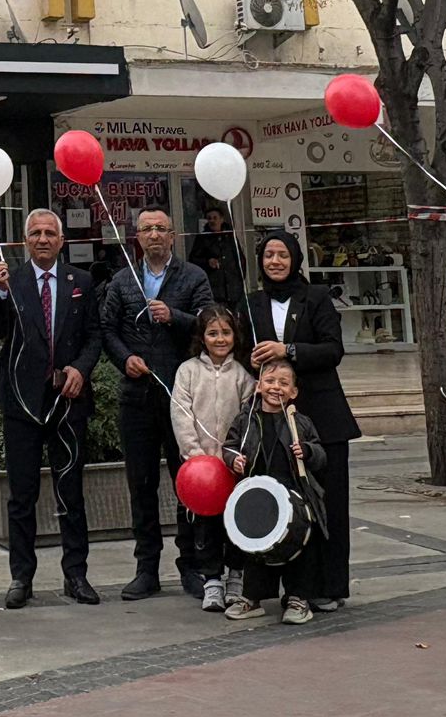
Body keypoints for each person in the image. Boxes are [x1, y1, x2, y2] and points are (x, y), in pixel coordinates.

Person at [0, 210, 103, 608]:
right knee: (22, 495)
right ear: (25, 240)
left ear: (61, 240)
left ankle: (77, 575)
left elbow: (94, 335)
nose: (42, 239)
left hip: (68, 401)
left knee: (71, 492)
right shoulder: (11, 281)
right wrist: (0, 295)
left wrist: (81, 369)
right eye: (35, 233)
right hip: (22, 403)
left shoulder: (82, 282)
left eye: (49, 233)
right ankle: (22, 577)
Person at [243, 233, 361, 610]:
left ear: (295, 259)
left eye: (282, 255)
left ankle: (327, 586)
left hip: (322, 416)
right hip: (273, 419)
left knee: (327, 503)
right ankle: (286, 588)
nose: (275, 261)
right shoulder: (252, 302)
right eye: (268, 255)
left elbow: (333, 349)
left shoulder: (317, 297)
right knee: (279, 502)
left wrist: (288, 350)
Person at [100, 209, 211, 599]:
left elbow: (209, 324)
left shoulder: (193, 277)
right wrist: (123, 358)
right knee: (141, 484)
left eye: (160, 229)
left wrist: (174, 316)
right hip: (137, 397)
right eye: (146, 229)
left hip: (182, 398)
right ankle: (147, 568)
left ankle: (191, 565)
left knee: (188, 482)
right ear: (137, 237)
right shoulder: (122, 280)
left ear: (173, 235)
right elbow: (107, 328)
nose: (153, 235)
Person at [223, 360, 326, 623]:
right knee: (257, 550)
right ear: (259, 386)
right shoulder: (246, 419)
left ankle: (298, 598)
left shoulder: (300, 422)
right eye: (270, 381)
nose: (276, 387)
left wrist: (309, 451)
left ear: (294, 392)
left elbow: (321, 455)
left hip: (296, 495)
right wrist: (233, 459)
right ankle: (252, 598)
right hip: (259, 494)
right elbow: (230, 446)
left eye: (283, 383)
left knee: (299, 548)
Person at [170, 304, 255, 612]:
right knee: (205, 527)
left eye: (226, 332)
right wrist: (196, 457)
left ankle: (236, 577)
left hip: (233, 467)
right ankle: (212, 581)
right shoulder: (188, 371)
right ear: (202, 337)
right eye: (213, 333)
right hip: (201, 471)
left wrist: (235, 457)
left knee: (234, 524)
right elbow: (181, 415)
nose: (220, 339)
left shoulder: (243, 376)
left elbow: (247, 420)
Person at [189, 205, 245, 312]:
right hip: (214, 291)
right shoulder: (202, 238)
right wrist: (207, 262)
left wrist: (239, 280)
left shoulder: (230, 236)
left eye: (215, 218)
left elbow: (240, 259)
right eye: (209, 218)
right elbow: (193, 260)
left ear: (222, 219)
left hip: (234, 291)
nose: (212, 221)